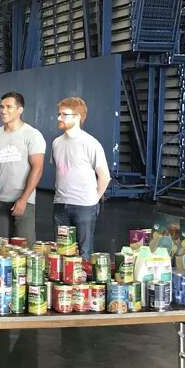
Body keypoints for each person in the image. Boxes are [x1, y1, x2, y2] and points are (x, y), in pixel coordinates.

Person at [52, 96, 110, 258]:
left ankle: (82, 282)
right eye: (59, 114)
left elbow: (104, 176)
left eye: (64, 114)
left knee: (85, 252)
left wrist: (93, 199)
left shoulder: (90, 144)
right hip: (60, 204)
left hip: (84, 206)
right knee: (62, 251)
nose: (59, 118)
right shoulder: (56, 143)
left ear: (77, 117)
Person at [0, 92, 45, 245]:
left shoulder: (32, 135)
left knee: (24, 249)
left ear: (20, 110)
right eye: (1, 107)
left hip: (22, 200)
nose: (3, 110)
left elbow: (37, 168)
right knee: (0, 249)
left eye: (9, 107)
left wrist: (24, 199)